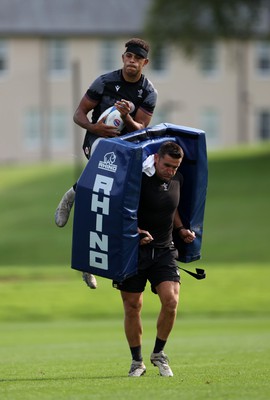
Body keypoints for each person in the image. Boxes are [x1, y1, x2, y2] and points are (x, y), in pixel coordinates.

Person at [54, 38, 158, 289]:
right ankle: (73, 198)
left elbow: (141, 129)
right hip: (98, 143)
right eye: (128, 56)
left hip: (128, 152)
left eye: (137, 58)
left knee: (110, 207)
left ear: (145, 63)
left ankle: (75, 193)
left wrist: (126, 118)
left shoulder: (149, 92)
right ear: (123, 58)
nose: (132, 61)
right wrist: (94, 127)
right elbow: (79, 114)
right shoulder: (104, 82)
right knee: (103, 183)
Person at [113, 141, 196, 377]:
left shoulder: (177, 179)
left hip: (164, 251)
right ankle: (137, 362)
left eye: (175, 167)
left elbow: (173, 207)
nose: (170, 171)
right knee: (132, 306)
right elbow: (120, 210)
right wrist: (136, 232)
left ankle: (159, 353)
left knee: (171, 302)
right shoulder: (137, 179)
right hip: (133, 252)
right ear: (156, 159)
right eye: (167, 165)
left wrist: (181, 229)